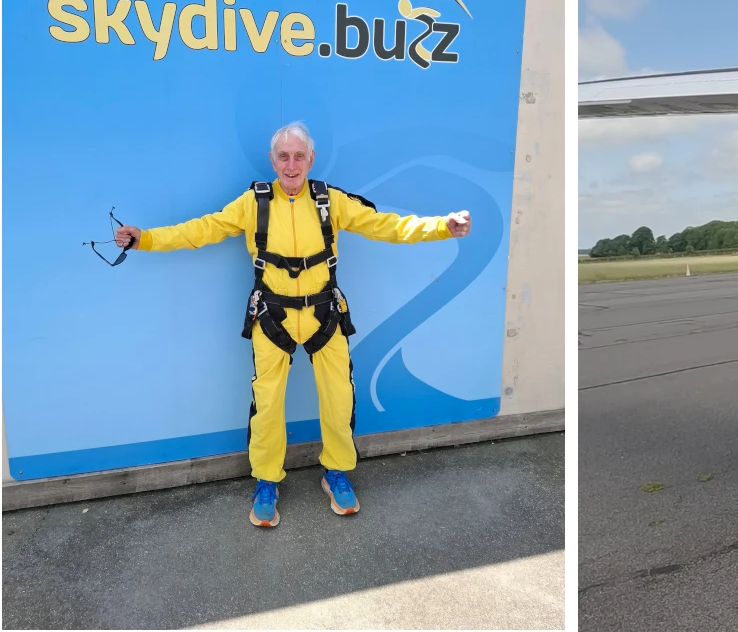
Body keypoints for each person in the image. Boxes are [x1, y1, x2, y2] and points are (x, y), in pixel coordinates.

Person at [113, 122, 471, 528]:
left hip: (325, 314)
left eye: (299, 155)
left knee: (339, 398)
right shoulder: (254, 202)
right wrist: (146, 239)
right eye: (283, 156)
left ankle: (336, 472)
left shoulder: (329, 201)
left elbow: (385, 225)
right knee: (267, 406)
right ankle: (267, 480)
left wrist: (442, 226)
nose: (291, 164)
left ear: (311, 159)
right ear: (272, 161)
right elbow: (203, 229)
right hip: (272, 315)